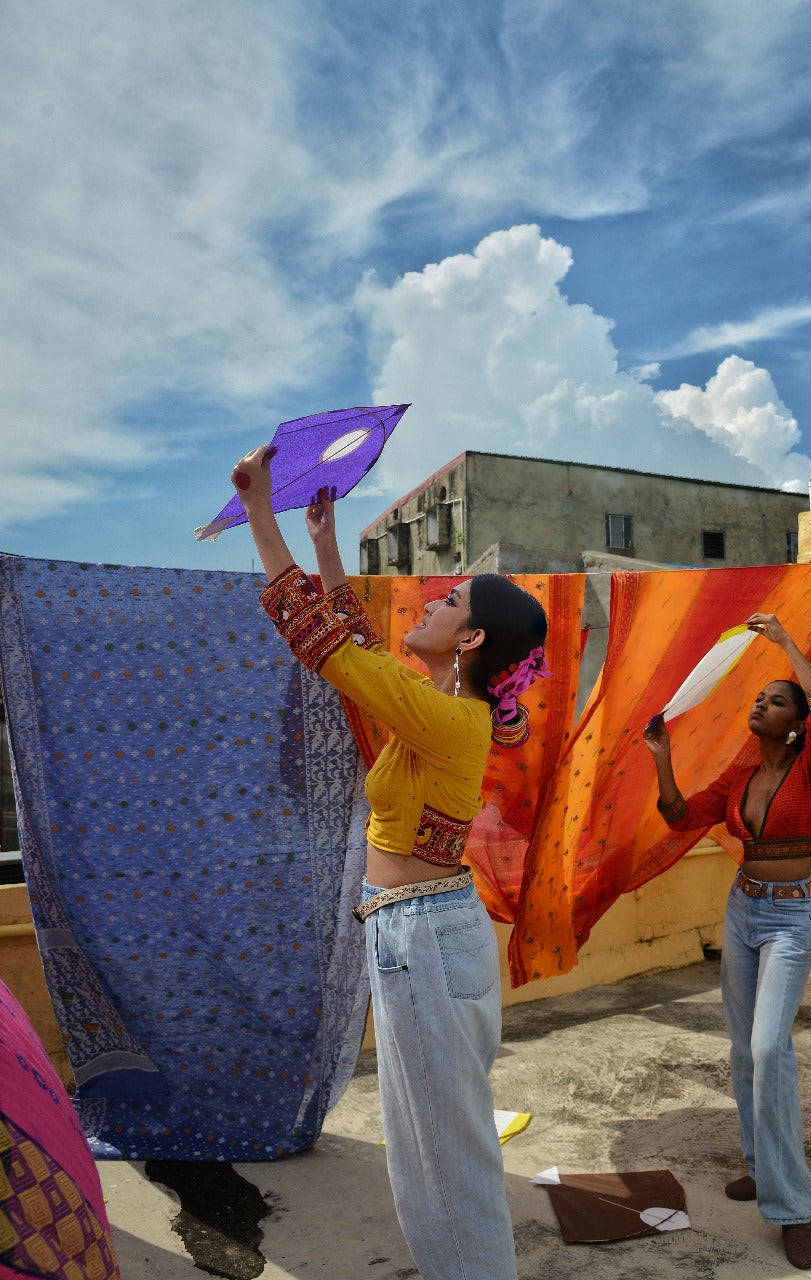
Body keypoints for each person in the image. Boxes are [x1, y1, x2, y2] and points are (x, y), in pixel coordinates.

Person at [230, 444, 550, 1280]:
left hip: (424, 939)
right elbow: (364, 648)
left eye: (446, 599)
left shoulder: (449, 718)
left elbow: (330, 648)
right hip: (430, 932)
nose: (430, 601)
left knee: (438, 1156)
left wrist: (259, 513)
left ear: (470, 637)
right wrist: (327, 543)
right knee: (446, 1141)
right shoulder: (445, 707)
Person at [643, 613, 811, 1272]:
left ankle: (792, 1210)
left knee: (768, 1047)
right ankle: (760, 1168)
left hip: (790, 919)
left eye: (772, 700)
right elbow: (678, 817)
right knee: (742, 1049)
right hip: (742, 910)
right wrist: (662, 758)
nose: (760, 703)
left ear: (793, 724)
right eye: (758, 698)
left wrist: (785, 641)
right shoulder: (737, 778)